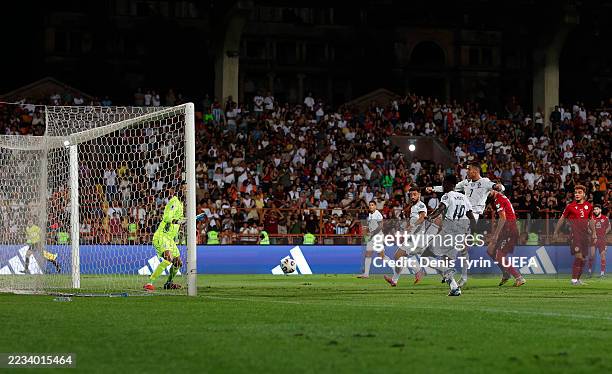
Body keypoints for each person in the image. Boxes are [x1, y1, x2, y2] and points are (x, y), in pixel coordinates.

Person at [426, 163, 503, 287]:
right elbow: (451, 187)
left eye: (469, 170)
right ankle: (451, 273)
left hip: (473, 215)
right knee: (458, 247)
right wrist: (433, 188)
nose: (467, 172)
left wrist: (499, 186)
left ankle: (457, 275)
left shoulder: (485, 182)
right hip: (462, 214)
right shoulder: (465, 182)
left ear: (475, 171)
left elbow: (497, 187)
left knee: (457, 245)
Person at [423, 175, 477, 296]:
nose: (442, 186)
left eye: (443, 183)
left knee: (426, 257)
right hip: (460, 234)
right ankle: (454, 288)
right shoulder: (464, 197)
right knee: (445, 261)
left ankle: (449, 273)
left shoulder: (447, 196)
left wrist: (430, 217)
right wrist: (471, 235)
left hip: (449, 231)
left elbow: (440, 208)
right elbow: (472, 218)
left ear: (449, 184)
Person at [383, 187, 427, 287]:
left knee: (399, 256)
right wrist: (407, 228)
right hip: (412, 237)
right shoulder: (412, 207)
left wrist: (413, 225)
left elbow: (422, 217)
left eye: (414, 194)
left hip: (417, 238)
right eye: (411, 195)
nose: (412, 196)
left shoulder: (421, 205)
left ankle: (418, 271)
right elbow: (412, 221)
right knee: (398, 256)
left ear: (419, 194)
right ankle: (395, 280)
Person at [553, 185, 596, 285]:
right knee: (579, 257)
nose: (577, 194)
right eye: (576, 192)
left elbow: (591, 220)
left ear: (584, 194)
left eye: (579, 192)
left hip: (585, 236)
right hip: (575, 235)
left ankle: (578, 279)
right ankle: (573, 280)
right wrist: (556, 232)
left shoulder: (588, 206)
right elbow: (562, 219)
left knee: (584, 259)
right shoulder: (570, 206)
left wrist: (594, 232)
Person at [143, 194, 185, 291]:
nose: (187, 192)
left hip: (170, 239)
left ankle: (169, 283)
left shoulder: (182, 205)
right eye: (184, 189)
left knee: (178, 263)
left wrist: (184, 221)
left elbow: (179, 221)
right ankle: (149, 283)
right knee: (168, 258)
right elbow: (166, 217)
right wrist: (177, 222)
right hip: (162, 236)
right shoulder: (174, 202)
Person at [487, 189, 525, 287]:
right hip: (506, 229)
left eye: (488, 191)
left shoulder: (499, 200)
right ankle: (506, 273)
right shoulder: (497, 198)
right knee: (490, 250)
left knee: (499, 256)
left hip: (510, 230)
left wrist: (495, 235)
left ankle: (519, 278)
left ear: (493, 190)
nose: (486, 194)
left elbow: (503, 218)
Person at [357, 201, 384, 278]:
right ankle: (366, 274)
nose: (371, 206)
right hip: (371, 237)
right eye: (370, 205)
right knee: (367, 254)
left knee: (381, 255)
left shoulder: (378, 214)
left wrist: (373, 233)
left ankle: (395, 268)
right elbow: (370, 227)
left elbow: (381, 226)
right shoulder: (370, 215)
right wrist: (367, 231)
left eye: (372, 205)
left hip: (378, 236)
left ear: (375, 206)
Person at [588, 205, 609, 278]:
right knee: (592, 255)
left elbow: (609, 227)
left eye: (597, 209)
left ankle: (602, 273)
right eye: (594, 210)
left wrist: (604, 232)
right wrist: (592, 233)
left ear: (600, 210)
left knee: (603, 255)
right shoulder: (591, 218)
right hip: (593, 239)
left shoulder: (605, 218)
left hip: (602, 240)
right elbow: (588, 228)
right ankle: (590, 272)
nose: (595, 211)